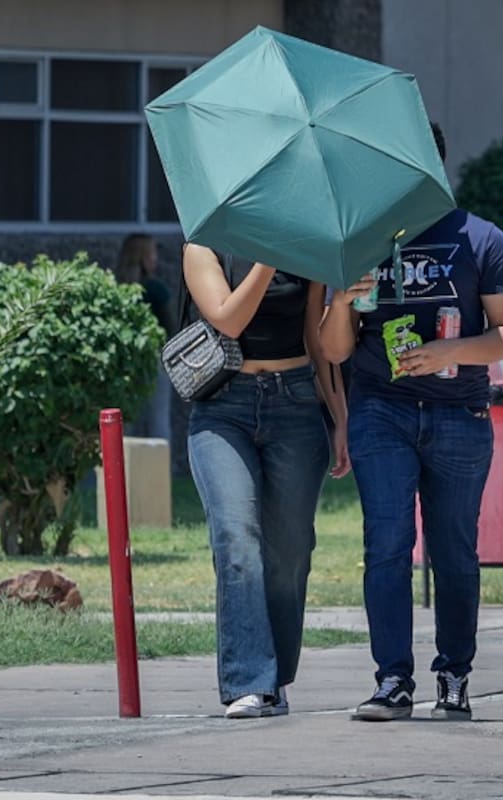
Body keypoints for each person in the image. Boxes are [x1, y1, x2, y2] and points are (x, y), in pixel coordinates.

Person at [319, 122, 503, 722]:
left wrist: (449, 352)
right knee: (386, 544)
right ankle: (392, 680)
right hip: (380, 409)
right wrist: (340, 300)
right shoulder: (362, 241)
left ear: (434, 165)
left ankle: (454, 675)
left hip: (460, 410)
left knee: (454, 551)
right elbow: (334, 349)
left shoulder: (481, 239)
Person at [182, 242, 349, 718]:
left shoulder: (304, 247)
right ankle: (249, 681)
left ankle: (275, 680)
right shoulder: (204, 244)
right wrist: (268, 259)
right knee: (237, 539)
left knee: (290, 552)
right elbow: (228, 320)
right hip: (223, 408)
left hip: (295, 402)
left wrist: (339, 417)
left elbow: (315, 340)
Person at [116, 233, 175, 441]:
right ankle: (159, 464)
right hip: (155, 360)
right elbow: (171, 327)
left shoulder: (116, 288)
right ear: (143, 258)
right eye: (152, 254)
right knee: (158, 422)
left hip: (123, 362)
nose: (155, 259)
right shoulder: (156, 289)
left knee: (124, 424)